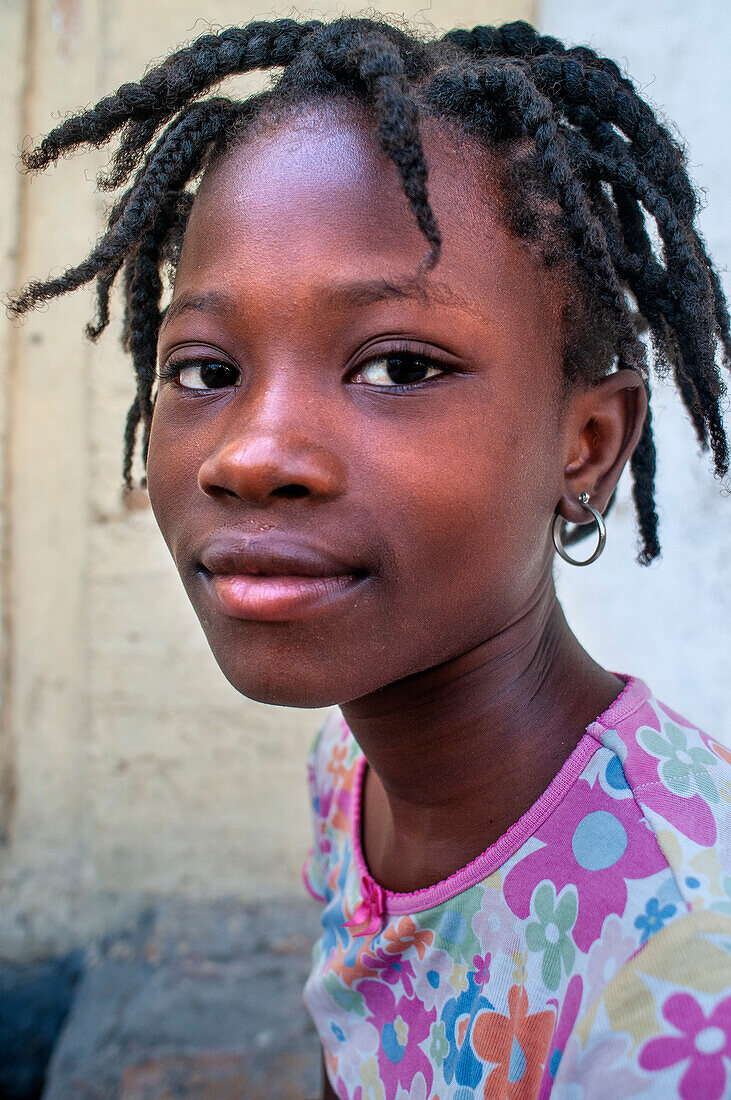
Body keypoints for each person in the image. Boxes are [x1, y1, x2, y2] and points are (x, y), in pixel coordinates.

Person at [7, 15, 731, 1099]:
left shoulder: (682, 976)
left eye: (397, 364)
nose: (252, 455)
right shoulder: (350, 769)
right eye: (204, 369)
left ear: (583, 443)